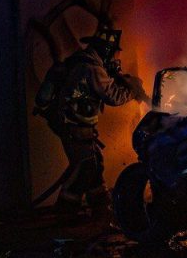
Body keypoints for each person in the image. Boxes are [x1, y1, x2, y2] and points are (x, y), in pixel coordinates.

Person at [34, 25, 147, 215]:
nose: (114, 58)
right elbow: (113, 97)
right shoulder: (92, 69)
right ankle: (65, 211)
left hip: (70, 124)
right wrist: (133, 90)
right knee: (85, 166)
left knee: (94, 164)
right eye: (113, 53)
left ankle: (101, 207)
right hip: (75, 125)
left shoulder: (78, 61)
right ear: (107, 50)